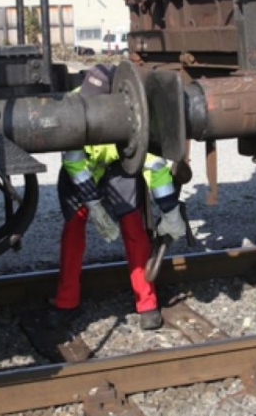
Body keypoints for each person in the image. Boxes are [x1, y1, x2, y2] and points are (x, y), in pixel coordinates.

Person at [48, 64, 186, 331]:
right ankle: (66, 303)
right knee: (74, 229)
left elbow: (154, 167)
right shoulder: (72, 106)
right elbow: (74, 162)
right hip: (83, 170)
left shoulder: (134, 113)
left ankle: (147, 304)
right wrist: (93, 204)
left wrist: (170, 212)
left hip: (118, 167)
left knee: (133, 228)